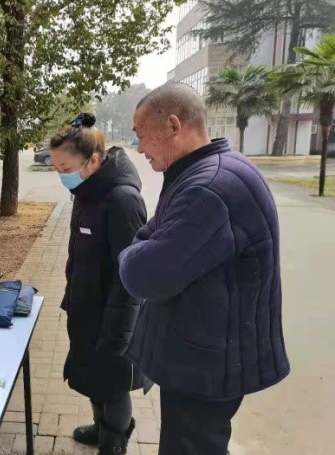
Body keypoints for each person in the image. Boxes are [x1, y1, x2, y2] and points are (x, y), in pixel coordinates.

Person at [119, 83, 290, 455]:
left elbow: (143, 275)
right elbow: (153, 234)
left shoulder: (208, 188)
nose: (139, 148)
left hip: (205, 367)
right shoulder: (214, 170)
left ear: (174, 125)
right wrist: (145, 243)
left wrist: (131, 253)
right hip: (212, 355)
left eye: (141, 135)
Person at [50, 113, 149, 454]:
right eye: (56, 168)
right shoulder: (86, 192)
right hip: (88, 310)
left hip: (115, 315)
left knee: (113, 384)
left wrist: (119, 335)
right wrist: (72, 297)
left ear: (92, 161)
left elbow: (132, 275)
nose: (61, 175)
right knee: (93, 377)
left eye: (65, 168)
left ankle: (114, 442)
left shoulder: (122, 200)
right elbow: (78, 254)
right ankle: (100, 426)